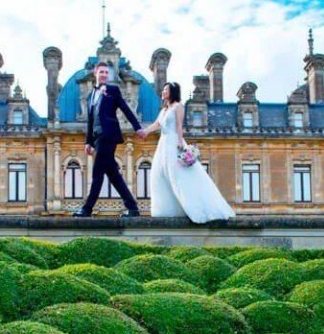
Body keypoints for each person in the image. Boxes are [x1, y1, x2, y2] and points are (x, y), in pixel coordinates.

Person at [144, 81, 235, 223]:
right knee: (159, 173)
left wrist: (180, 142)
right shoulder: (163, 111)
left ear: (172, 92)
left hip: (173, 142)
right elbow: (157, 124)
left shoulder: (178, 107)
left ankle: (194, 208)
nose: (163, 92)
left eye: (166, 89)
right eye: (163, 89)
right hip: (163, 144)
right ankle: (167, 211)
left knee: (178, 176)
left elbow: (179, 126)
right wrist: (144, 132)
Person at [73, 61, 146, 217]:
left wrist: (137, 127)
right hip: (97, 137)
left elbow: (125, 108)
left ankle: (87, 208)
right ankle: (133, 207)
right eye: (102, 72)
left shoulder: (113, 90)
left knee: (97, 172)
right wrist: (88, 141)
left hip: (108, 134)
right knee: (113, 174)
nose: (105, 75)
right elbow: (90, 120)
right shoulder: (91, 95)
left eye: (107, 72)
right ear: (95, 73)